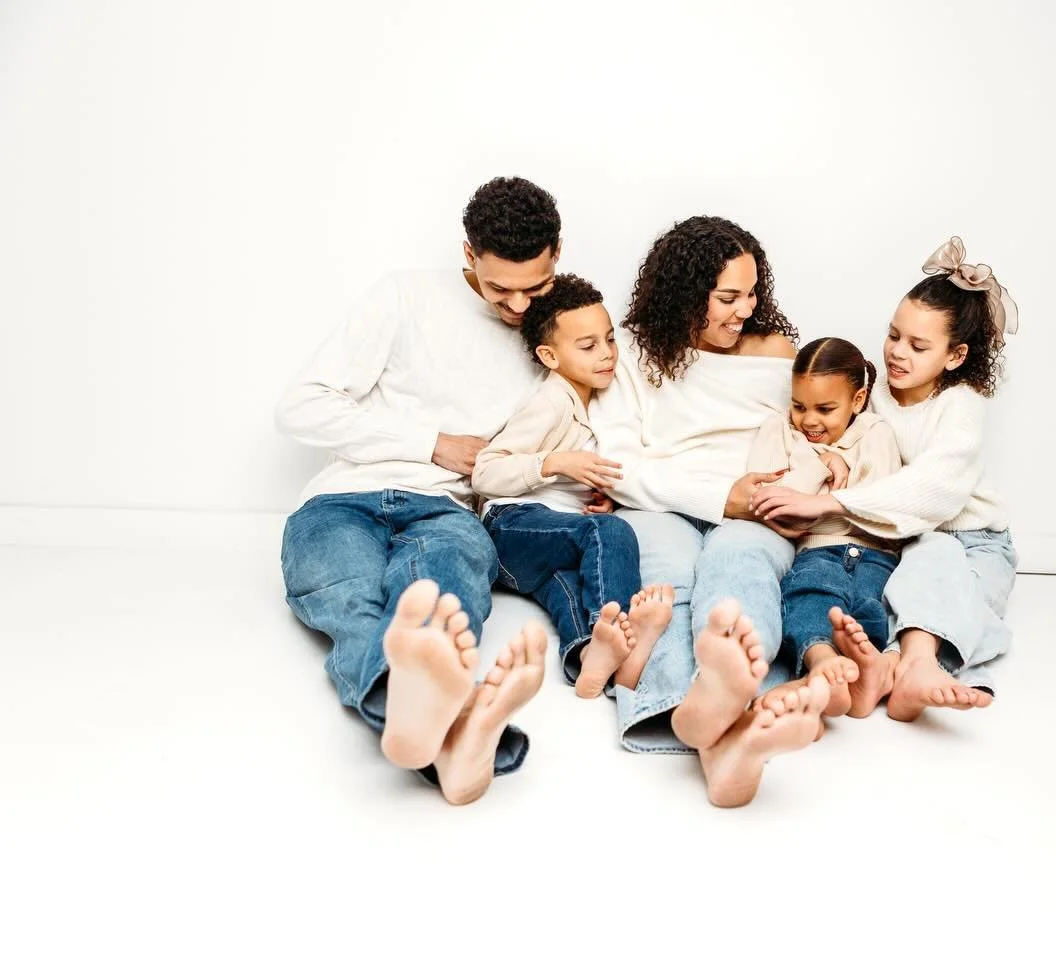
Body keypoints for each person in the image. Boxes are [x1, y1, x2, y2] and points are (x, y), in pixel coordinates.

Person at [275, 176, 561, 804]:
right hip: (341, 498)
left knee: (445, 595)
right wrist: (432, 443)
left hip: (447, 509)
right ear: (468, 255)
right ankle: (453, 728)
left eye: (532, 288)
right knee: (349, 596)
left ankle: (421, 721)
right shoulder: (403, 296)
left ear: (557, 257)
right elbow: (300, 407)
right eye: (499, 289)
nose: (517, 307)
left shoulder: (559, 330)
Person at [592, 215, 831, 808]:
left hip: (757, 511)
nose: (746, 309)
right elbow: (619, 463)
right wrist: (719, 495)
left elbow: (814, 431)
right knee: (665, 584)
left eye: (753, 292)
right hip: (660, 504)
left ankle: (722, 703)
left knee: (739, 565)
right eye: (728, 297)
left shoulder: (777, 354)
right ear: (684, 292)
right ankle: (718, 726)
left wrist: (825, 471)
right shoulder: (632, 356)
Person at [752, 236, 1020, 722]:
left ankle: (910, 665)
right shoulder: (872, 399)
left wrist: (834, 504)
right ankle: (883, 668)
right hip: (903, 542)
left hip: (973, 540)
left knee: (958, 606)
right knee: (876, 599)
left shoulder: (959, 404)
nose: (897, 352)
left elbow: (938, 486)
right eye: (894, 335)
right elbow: (833, 435)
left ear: (955, 356)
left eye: (918, 346)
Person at [471, 274, 675, 699]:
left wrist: (599, 498)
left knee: (570, 585)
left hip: (546, 546)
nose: (606, 355)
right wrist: (555, 462)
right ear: (549, 356)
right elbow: (485, 472)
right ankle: (617, 627)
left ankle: (590, 660)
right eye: (588, 347)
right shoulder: (551, 402)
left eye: (609, 340)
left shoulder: (600, 401)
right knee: (611, 533)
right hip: (511, 527)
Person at [744, 337, 906, 721]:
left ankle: (857, 674)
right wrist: (821, 465)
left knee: (867, 610)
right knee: (805, 596)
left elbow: (885, 509)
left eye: (825, 409)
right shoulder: (778, 430)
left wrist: (826, 497)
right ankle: (820, 660)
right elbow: (769, 504)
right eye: (799, 406)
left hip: (875, 555)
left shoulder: (875, 433)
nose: (810, 420)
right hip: (816, 552)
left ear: (858, 399)